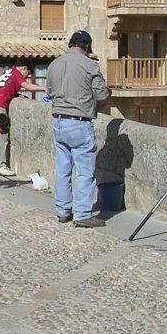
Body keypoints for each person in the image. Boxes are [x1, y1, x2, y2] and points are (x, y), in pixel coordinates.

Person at [46, 30, 110, 228]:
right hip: (79, 122)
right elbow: (101, 96)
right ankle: (82, 214)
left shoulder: (54, 64)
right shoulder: (90, 65)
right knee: (84, 170)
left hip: (58, 121)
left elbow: (49, 91)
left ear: (70, 44)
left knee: (62, 168)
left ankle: (63, 211)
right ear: (87, 47)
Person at [0, 63, 46, 176]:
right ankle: (1, 165)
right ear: (24, 68)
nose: (27, 76)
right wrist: (43, 88)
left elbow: (8, 88)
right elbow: (27, 86)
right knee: (2, 135)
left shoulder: (8, 71)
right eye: (28, 73)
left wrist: (17, 94)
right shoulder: (17, 73)